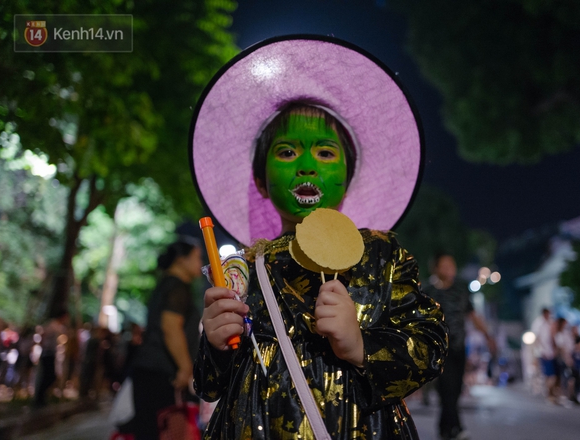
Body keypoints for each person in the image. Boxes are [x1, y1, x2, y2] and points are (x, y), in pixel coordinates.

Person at [191, 36, 448, 439]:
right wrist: (216, 344)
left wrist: (361, 345)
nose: (307, 166)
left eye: (325, 153)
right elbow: (208, 386)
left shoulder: (382, 254)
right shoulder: (240, 271)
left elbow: (431, 347)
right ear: (260, 180)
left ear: (347, 176)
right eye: (288, 152)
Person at [128, 239, 203, 440]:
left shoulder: (166, 284)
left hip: (150, 369)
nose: (201, 262)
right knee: (162, 431)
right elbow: (171, 327)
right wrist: (185, 367)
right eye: (197, 257)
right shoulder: (177, 286)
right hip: (161, 372)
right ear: (181, 260)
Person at [423, 252, 495, 440]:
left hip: (459, 347)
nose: (450, 269)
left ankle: (444, 427)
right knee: (446, 387)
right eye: (445, 265)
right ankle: (456, 428)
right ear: (436, 269)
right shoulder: (428, 292)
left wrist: (488, 336)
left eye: (451, 265)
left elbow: (472, 316)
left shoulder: (461, 290)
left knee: (454, 390)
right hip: (439, 350)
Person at [33, 311, 69, 407]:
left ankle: (41, 398)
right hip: (47, 353)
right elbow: (43, 334)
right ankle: (39, 398)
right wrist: (43, 346)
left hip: (52, 353)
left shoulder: (58, 326)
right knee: (49, 376)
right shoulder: (52, 325)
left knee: (50, 376)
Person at [531, 308, 560, 404]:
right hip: (544, 353)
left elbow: (553, 337)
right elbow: (537, 339)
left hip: (551, 353)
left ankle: (551, 394)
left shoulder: (549, 323)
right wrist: (539, 351)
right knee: (550, 376)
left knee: (552, 376)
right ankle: (549, 394)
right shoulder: (538, 323)